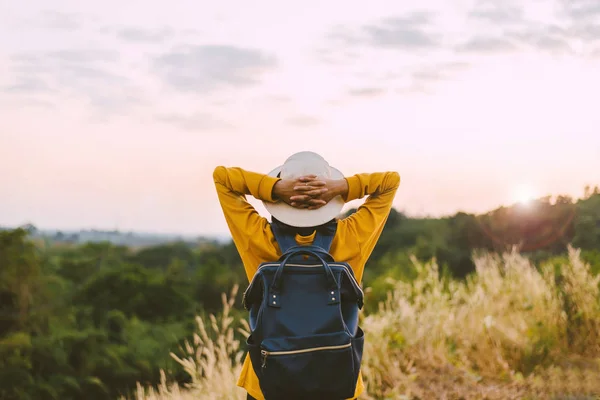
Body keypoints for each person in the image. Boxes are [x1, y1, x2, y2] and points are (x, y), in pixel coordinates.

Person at [213, 151, 400, 400]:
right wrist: (342, 187)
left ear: (280, 201)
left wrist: (274, 188)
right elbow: (390, 182)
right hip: (337, 379)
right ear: (330, 198)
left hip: (269, 382)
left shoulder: (258, 238)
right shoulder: (352, 236)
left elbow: (223, 179)